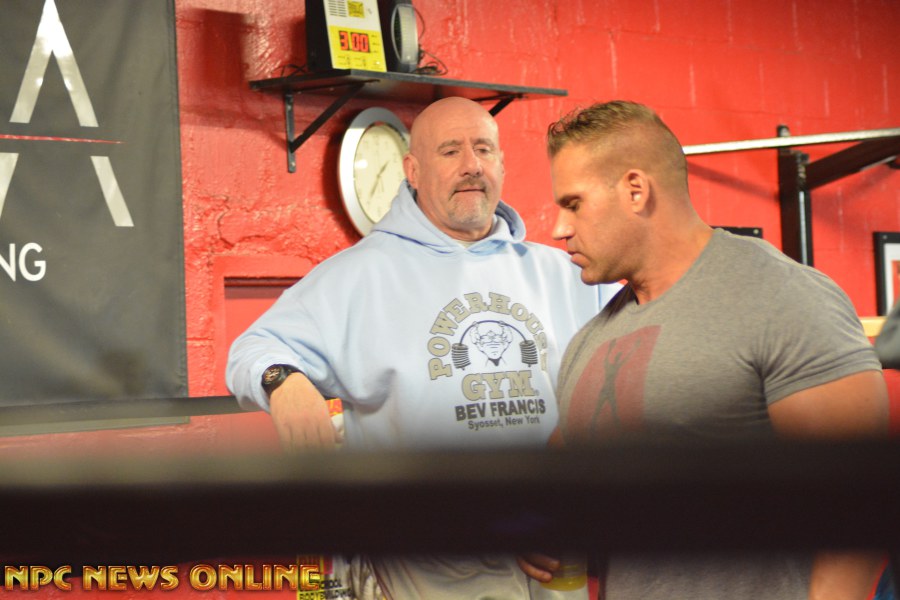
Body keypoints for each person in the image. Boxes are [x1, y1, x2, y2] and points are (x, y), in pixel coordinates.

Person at [227, 96, 614, 599]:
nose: (471, 165)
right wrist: (285, 383)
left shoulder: (566, 273)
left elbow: (624, 385)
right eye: (450, 151)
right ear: (412, 171)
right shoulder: (359, 276)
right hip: (430, 566)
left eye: (483, 149)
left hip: (552, 556)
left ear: (501, 163)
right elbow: (253, 350)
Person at [518, 100, 891, 599]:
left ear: (635, 190)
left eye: (574, 204)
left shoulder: (780, 297)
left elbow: (860, 500)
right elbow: (558, 478)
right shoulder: (591, 341)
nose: (559, 228)